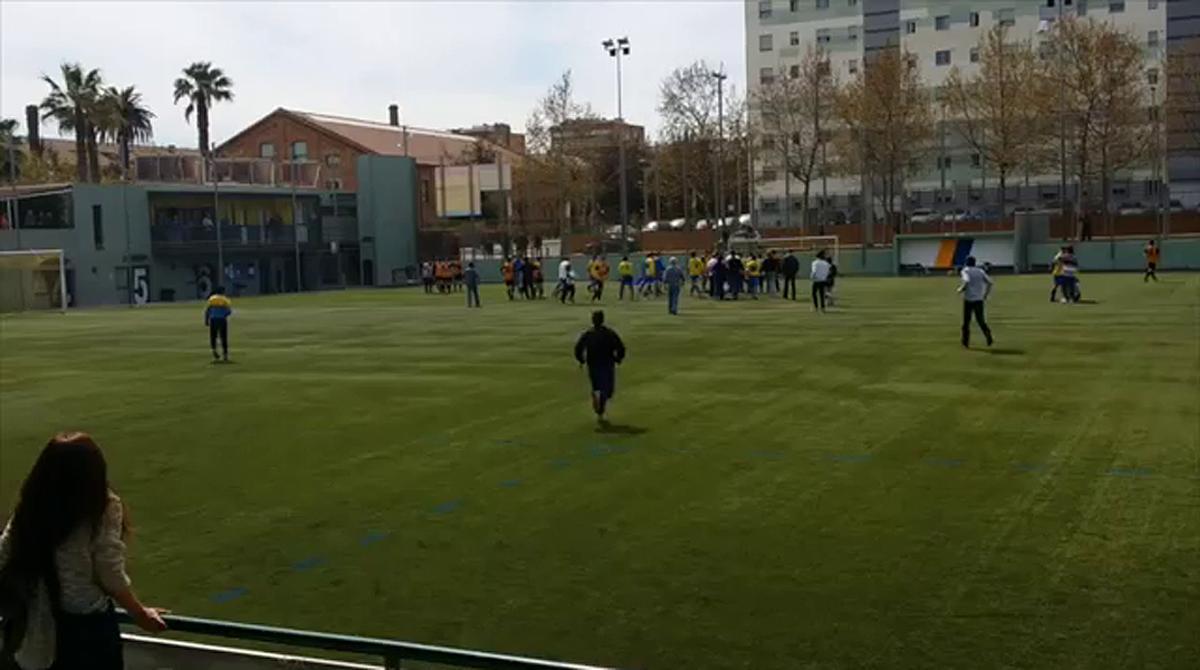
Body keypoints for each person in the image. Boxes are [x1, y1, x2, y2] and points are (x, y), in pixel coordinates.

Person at [0, 433, 168, 670]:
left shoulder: (31, 504)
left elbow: (4, 553)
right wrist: (140, 614)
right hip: (86, 624)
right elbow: (109, 571)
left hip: (37, 618)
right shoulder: (104, 506)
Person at [573, 310, 626, 422]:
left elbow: (578, 348)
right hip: (607, 363)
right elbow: (620, 347)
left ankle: (597, 398)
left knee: (597, 385)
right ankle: (600, 403)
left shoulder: (588, 334)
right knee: (608, 388)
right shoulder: (609, 333)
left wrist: (581, 360)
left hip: (593, 364)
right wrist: (618, 358)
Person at [957, 256, 994, 348]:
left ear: (966, 262)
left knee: (966, 322)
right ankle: (988, 335)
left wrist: (961, 289)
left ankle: (965, 342)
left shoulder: (965, 270)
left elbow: (966, 280)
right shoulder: (980, 271)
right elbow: (990, 282)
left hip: (969, 300)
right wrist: (985, 294)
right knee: (980, 320)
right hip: (979, 299)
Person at [204, 286, 232, 361]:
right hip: (222, 320)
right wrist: (224, 315)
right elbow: (229, 311)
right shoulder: (225, 300)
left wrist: (206, 320)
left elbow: (207, 311)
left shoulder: (212, 299)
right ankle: (225, 354)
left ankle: (214, 350)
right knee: (223, 337)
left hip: (213, 319)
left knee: (213, 336)